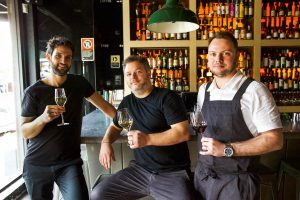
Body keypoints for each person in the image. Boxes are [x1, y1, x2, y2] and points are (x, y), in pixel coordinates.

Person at [21, 36, 116, 200]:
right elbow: (25, 132)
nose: (63, 61)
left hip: (69, 163)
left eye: (68, 57)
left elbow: (105, 107)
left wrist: (129, 122)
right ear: (49, 57)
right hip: (37, 164)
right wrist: (43, 118)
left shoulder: (79, 83)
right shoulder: (33, 92)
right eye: (58, 55)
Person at [194, 31, 283, 200]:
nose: (217, 59)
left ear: (237, 57)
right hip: (204, 178)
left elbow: (275, 140)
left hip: (236, 183)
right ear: (207, 57)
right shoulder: (203, 90)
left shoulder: (254, 90)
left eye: (225, 54)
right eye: (213, 54)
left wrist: (227, 149)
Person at [91, 55, 194, 200]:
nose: (132, 77)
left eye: (138, 72)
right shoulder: (127, 102)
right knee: (98, 195)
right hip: (139, 171)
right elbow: (115, 127)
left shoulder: (167, 97)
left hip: (172, 173)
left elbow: (182, 133)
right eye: (128, 74)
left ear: (148, 72)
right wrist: (106, 142)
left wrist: (147, 139)